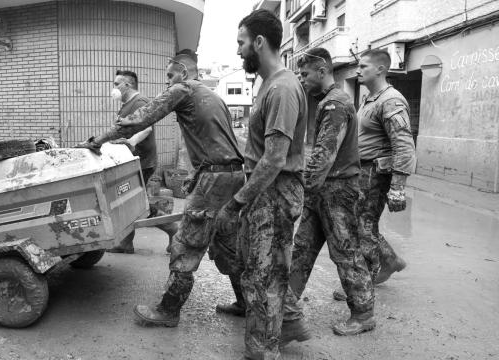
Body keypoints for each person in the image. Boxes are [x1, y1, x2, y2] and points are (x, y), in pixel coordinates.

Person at [75, 50, 246, 327]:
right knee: (228, 245)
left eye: (170, 75)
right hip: (233, 176)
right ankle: (245, 302)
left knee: (185, 245)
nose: (167, 82)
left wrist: (97, 141)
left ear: (184, 72)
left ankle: (168, 310)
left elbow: (141, 118)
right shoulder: (214, 97)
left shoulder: (184, 89)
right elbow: (222, 144)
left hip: (214, 180)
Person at [214, 9, 307, 359]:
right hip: (267, 192)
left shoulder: (282, 88)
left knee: (262, 277)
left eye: (241, 43)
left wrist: (236, 202)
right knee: (267, 269)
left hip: (275, 192)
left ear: (259, 42)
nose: (238, 51)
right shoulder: (268, 83)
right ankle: (293, 326)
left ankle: (263, 351)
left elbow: (274, 158)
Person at [281, 47, 376, 337]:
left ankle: (363, 313)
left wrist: (302, 189)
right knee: (303, 249)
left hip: (336, 190)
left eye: (305, 73)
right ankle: (286, 306)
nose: (302, 78)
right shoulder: (328, 102)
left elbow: (323, 156)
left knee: (345, 252)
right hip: (323, 190)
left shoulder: (335, 104)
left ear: (322, 71)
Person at [333, 49, 416, 301]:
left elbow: (403, 144)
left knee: (361, 228)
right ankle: (389, 261)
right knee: (363, 226)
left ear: (380, 69)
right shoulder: (371, 99)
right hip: (363, 171)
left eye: (363, 65)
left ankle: (365, 282)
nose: (358, 70)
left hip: (376, 174)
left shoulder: (391, 100)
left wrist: (398, 186)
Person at [105, 70, 177, 255]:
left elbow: (147, 129)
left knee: (137, 204)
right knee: (129, 203)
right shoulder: (126, 104)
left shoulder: (140, 102)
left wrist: (131, 142)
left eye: (116, 84)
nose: (113, 87)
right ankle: (126, 243)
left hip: (142, 162)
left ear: (127, 85)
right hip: (133, 161)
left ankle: (173, 230)